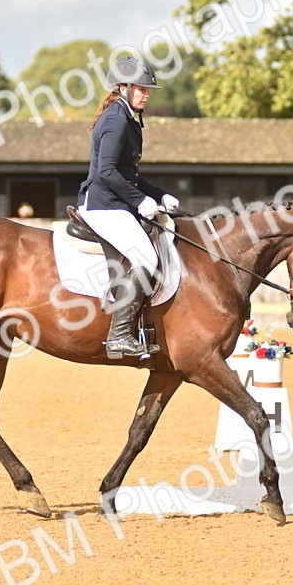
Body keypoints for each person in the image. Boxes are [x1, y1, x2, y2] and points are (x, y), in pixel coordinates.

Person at [77, 56, 180, 359]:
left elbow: (129, 175)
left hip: (116, 203)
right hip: (104, 205)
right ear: (123, 87)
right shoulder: (116, 119)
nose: (147, 95)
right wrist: (140, 201)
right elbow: (106, 172)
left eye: (148, 90)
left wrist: (160, 195)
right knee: (146, 257)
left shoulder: (128, 118)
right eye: (142, 89)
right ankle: (119, 336)